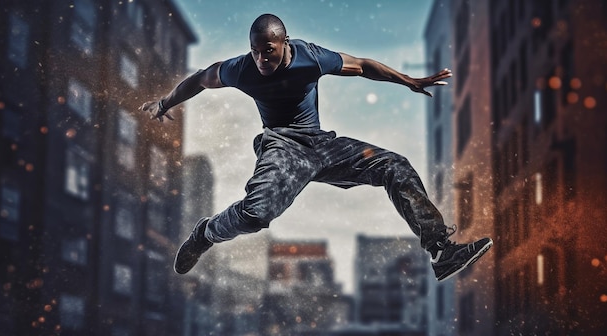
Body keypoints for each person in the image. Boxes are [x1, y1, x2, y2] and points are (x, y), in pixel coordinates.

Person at [140, 14, 492, 282]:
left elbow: (363, 65)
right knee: (257, 213)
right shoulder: (241, 69)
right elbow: (201, 78)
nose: (262, 60)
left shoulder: (311, 56)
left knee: (394, 166)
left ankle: (440, 250)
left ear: (284, 43)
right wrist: (164, 103)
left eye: (269, 51)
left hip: (322, 146)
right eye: (256, 52)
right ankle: (206, 233)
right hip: (281, 145)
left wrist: (408, 80)